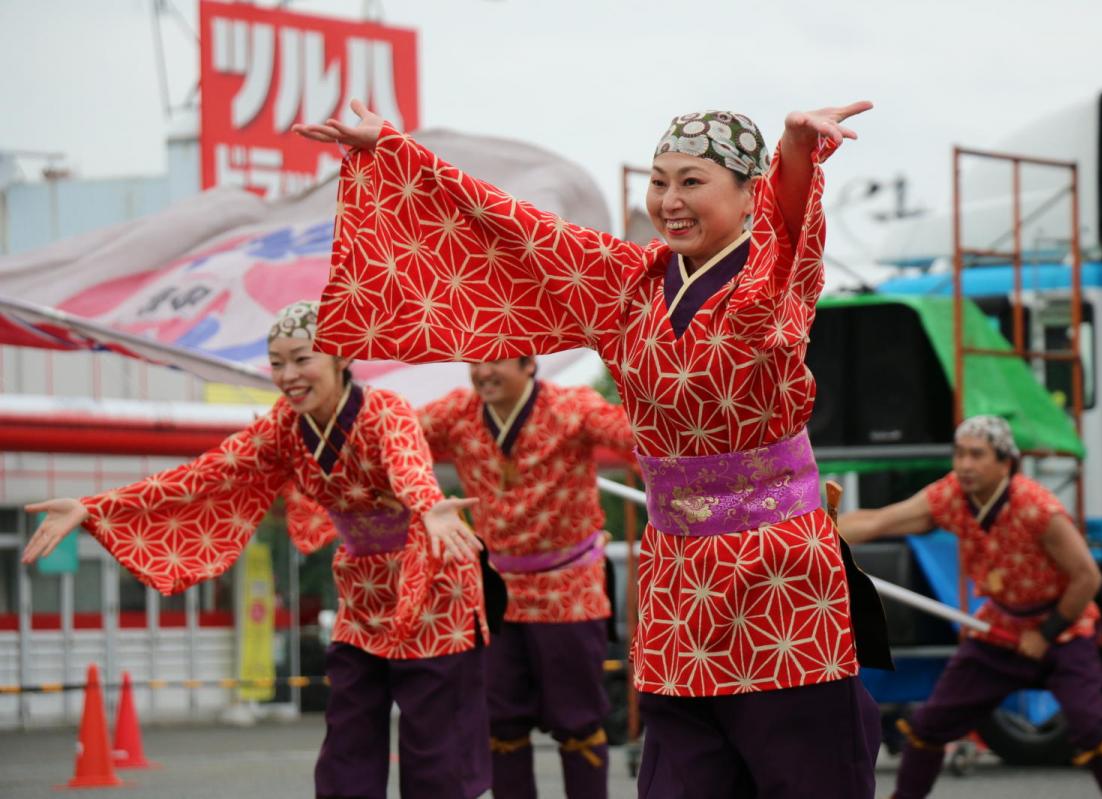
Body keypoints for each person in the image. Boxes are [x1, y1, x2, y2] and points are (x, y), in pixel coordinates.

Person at [294, 98, 890, 799]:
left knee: (806, 773)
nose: (668, 200)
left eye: (692, 181)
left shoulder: (769, 281)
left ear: (749, 191)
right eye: (659, 180)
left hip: (779, 578)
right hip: (675, 585)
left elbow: (790, 238)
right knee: (675, 779)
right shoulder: (628, 284)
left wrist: (793, 153)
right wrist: (395, 152)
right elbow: (513, 231)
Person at [21, 300, 491, 799]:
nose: (287, 375)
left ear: (341, 356)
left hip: (431, 587)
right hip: (364, 593)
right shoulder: (285, 426)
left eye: (302, 358)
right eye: (276, 362)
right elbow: (206, 473)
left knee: (433, 750)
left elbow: (410, 468)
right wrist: (94, 508)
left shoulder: (385, 412)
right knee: (348, 743)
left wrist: (428, 505)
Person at [838, 415, 1102, 799]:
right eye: (959, 454)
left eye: (977, 455)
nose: (964, 465)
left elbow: (1087, 577)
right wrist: (820, 532)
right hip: (999, 628)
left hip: (1064, 629)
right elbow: (879, 521)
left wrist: (1045, 634)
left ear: (1005, 462)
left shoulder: (1036, 508)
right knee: (929, 726)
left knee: (1091, 726)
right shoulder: (951, 496)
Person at [418, 356, 634, 799]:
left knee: (579, 721)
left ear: (529, 364)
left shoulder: (573, 407)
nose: (483, 373)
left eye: (495, 361)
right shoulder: (457, 412)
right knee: (501, 723)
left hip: (569, 588)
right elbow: (393, 437)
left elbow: (634, 433)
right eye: (474, 363)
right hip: (496, 589)